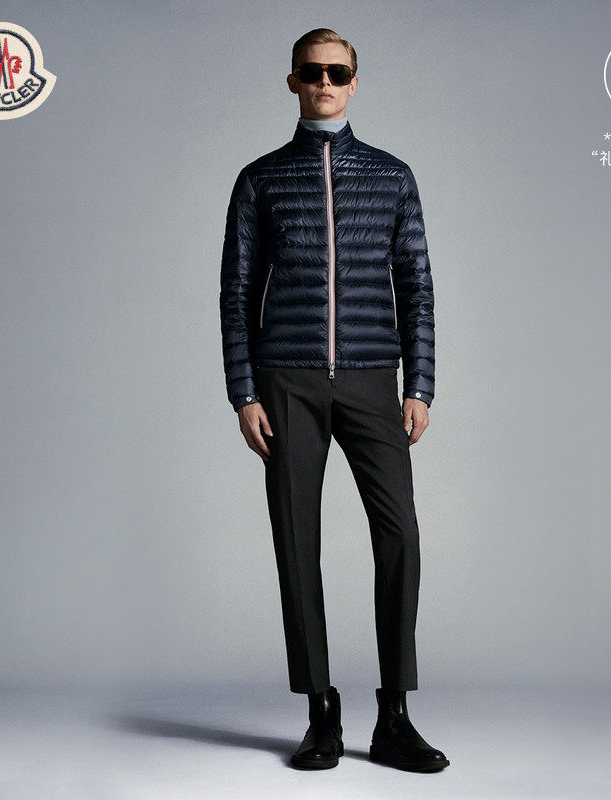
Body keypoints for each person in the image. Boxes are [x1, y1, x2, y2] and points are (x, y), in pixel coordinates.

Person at [219, 28, 448, 772]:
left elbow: (417, 286)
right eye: (312, 71)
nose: (325, 82)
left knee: (400, 534)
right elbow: (235, 293)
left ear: (354, 82)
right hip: (284, 380)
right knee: (296, 540)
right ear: (292, 80)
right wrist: (243, 390)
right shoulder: (260, 179)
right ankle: (320, 709)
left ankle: (395, 716)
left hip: (372, 378)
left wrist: (420, 384)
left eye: (338, 72)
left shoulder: (391, 176)